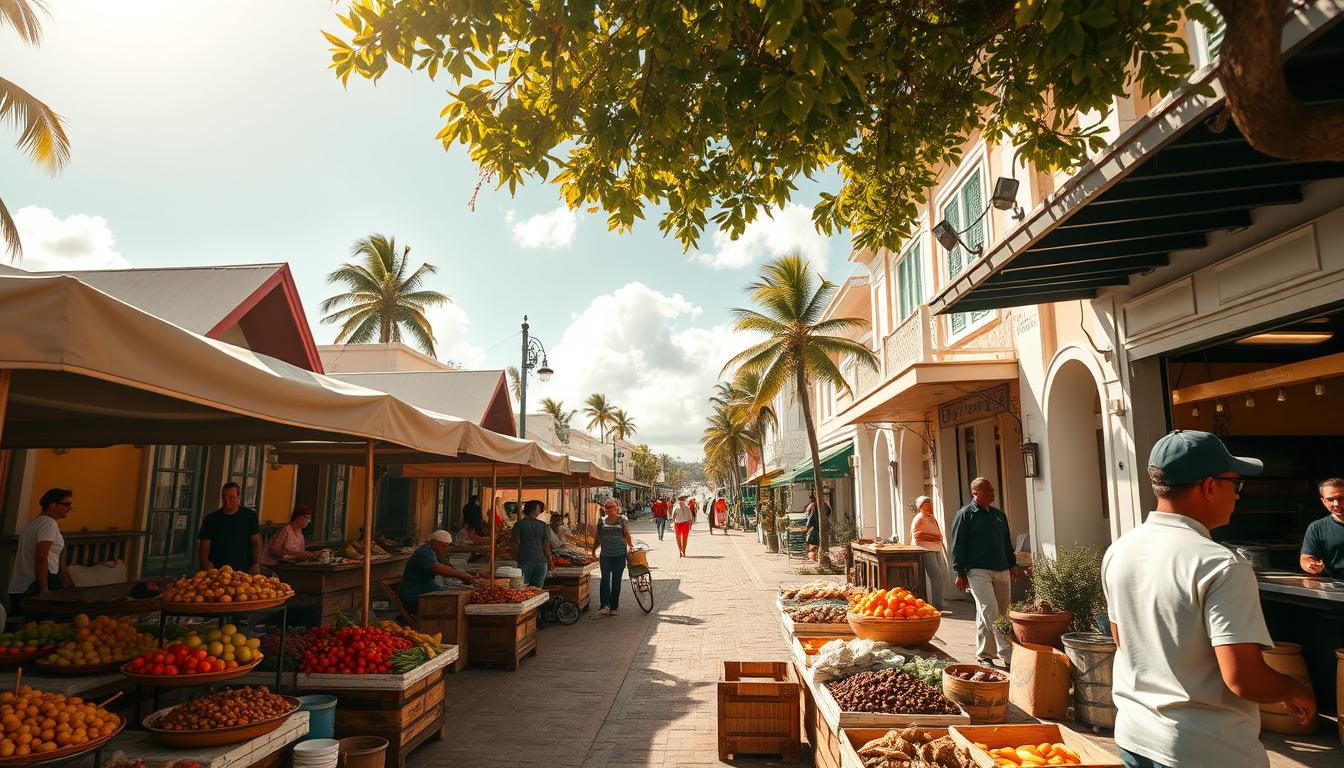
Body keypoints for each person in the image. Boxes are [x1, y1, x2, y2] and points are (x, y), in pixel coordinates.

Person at [1104, 430, 1315, 768]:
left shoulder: (1120, 550)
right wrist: (1293, 688)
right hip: (1205, 750)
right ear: (1209, 486)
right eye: (1236, 483)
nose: (1238, 495)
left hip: (1135, 736)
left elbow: (1124, 642)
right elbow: (1244, 679)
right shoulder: (1221, 564)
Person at [949, 477, 1021, 668]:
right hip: (977, 571)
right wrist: (959, 572)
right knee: (990, 610)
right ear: (975, 493)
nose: (992, 493)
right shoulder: (965, 515)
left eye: (992, 490)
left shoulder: (999, 515)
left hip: (1002, 568)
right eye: (987, 490)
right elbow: (957, 546)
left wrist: (1012, 564)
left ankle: (983, 654)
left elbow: (1006, 542)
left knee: (999, 612)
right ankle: (1007, 654)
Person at [8, 488, 73, 612]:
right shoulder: (48, 524)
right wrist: (44, 590)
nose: (70, 508)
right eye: (66, 504)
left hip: (22, 584)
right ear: (53, 505)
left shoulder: (33, 524)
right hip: (37, 584)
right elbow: (42, 556)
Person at [399, 530, 476, 615]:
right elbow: (436, 567)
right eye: (444, 546)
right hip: (414, 593)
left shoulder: (435, 552)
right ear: (435, 542)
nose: (445, 549)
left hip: (427, 588)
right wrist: (462, 575)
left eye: (447, 546)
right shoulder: (423, 553)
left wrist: (469, 576)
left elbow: (449, 568)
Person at [197, 482, 262, 574]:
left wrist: (256, 563)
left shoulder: (249, 516)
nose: (227, 501)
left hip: (243, 571)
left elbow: (255, 542)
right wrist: (207, 568)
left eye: (231, 497)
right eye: (224, 497)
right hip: (218, 571)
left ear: (238, 498)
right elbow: (204, 548)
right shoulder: (211, 519)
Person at [591, 498, 634, 616]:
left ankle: (614, 606)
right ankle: (604, 605)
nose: (609, 509)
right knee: (604, 580)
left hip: (620, 555)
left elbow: (626, 534)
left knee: (616, 581)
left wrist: (631, 546)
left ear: (616, 508)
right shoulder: (601, 521)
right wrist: (593, 550)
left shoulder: (622, 519)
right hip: (605, 555)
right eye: (607, 507)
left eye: (612, 507)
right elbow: (598, 537)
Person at [910, 495, 947, 612]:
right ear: (920, 506)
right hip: (926, 549)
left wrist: (938, 538)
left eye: (929, 503)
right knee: (936, 576)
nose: (929, 506)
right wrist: (935, 537)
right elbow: (917, 535)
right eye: (926, 504)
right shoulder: (919, 518)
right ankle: (937, 606)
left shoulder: (931, 517)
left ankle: (938, 602)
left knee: (941, 576)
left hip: (936, 548)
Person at [1301, 477, 1344, 578]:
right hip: (1337, 587)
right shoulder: (1317, 528)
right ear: (1323, 501)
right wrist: (1310, 565)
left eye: (1341, 498)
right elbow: (1306, 557)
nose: (1336, 504)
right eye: (1330, 499)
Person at [259, 505, 323, 570]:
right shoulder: (286, 530)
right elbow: (274, 550)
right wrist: (294, 554)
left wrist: (312, 555)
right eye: (307, 518)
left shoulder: (300, 535)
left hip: (289, 567)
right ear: (299, 518)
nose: (308, 521)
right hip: (272, 566)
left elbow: (300, 555)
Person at [512, 500, 553, 588]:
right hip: (541, 562)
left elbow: (515, 544)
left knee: (524, 590)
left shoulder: (519, 525)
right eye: (538, 509)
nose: (539, 511)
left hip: (525, 560)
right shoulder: (542, 525)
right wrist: (550, 560)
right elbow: (546, 545)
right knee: (537, 591)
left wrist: (515, 558)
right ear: (534, 510)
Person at [804, 494, 821, 562]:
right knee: (817, 542)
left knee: (810, 541)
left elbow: (810, 519)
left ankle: (813, 556)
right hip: (821, 527)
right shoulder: (821, 504)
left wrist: (807, 529)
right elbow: (829, 511)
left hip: (816, 528)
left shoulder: (813, 506)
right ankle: (816, 556)